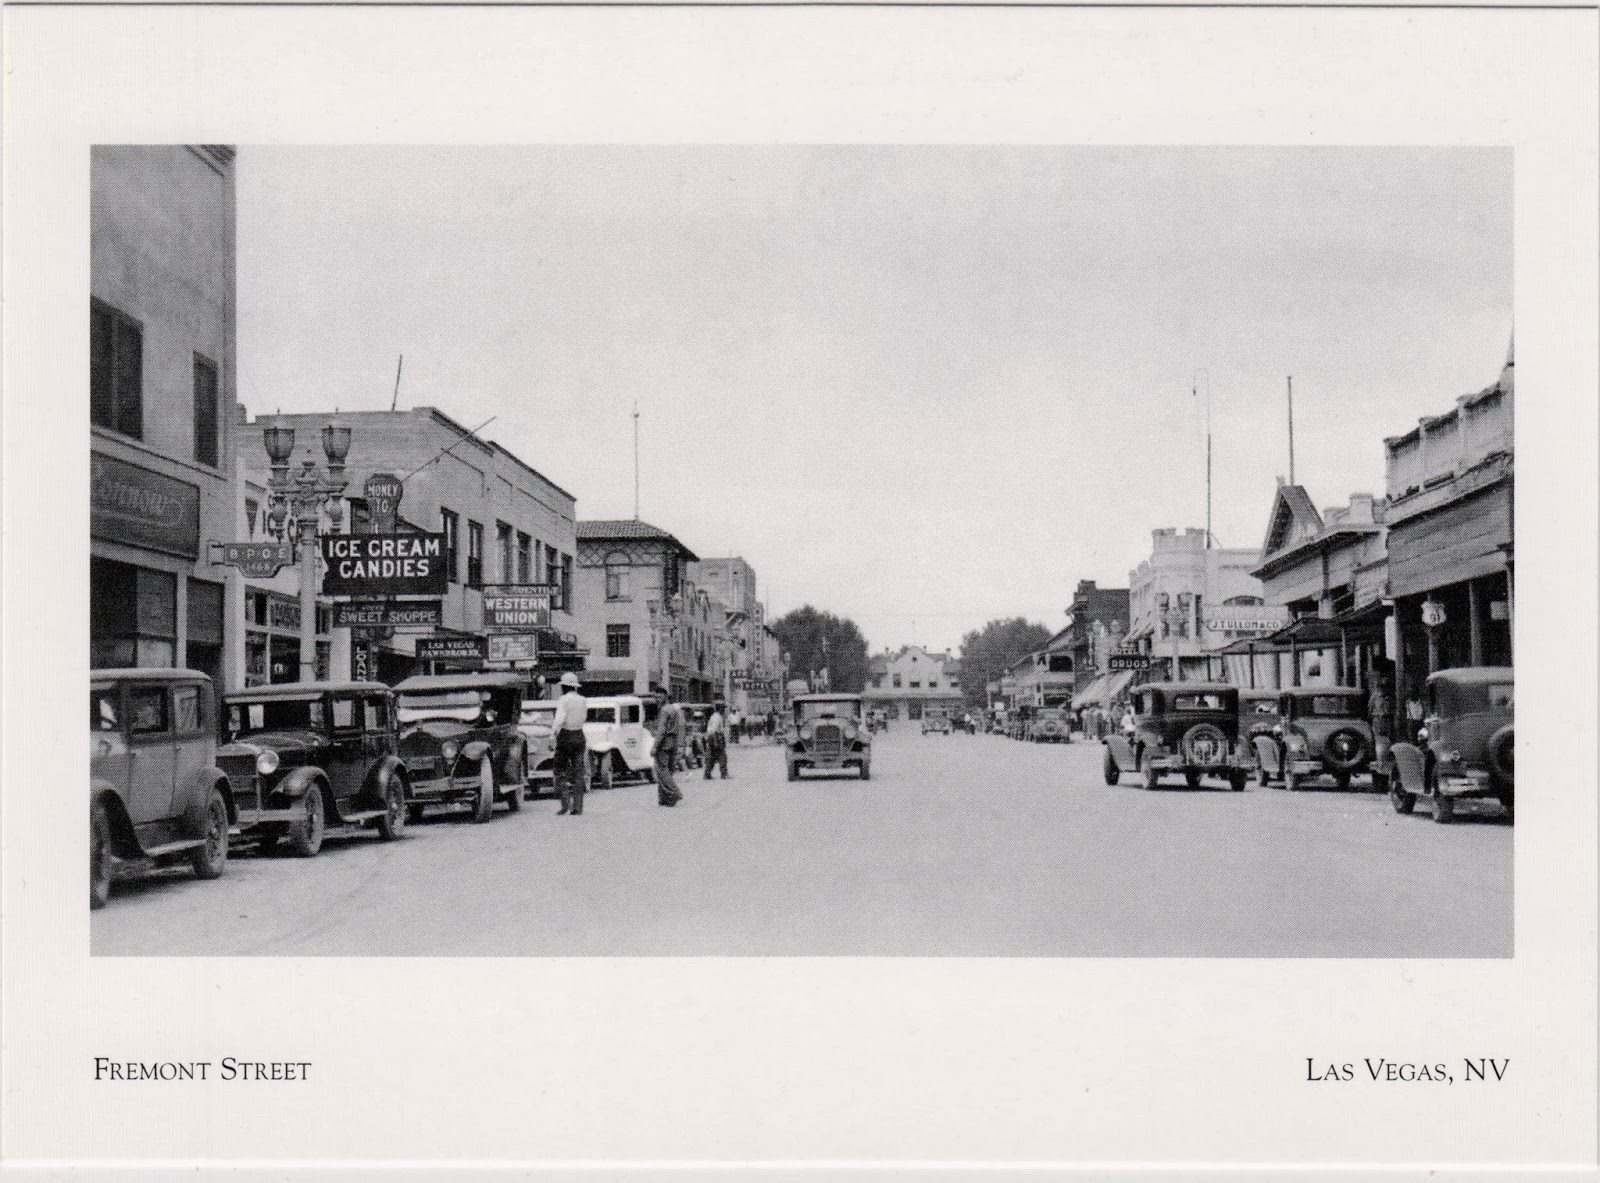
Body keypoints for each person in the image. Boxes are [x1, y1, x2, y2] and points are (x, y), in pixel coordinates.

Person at [551, 671, 589, 816]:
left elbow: (559, 719)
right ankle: (578, 807)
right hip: (579, 735)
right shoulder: (583, 700)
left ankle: (565, 804)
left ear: (565, 687)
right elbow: (584, 717)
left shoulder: (563, 700)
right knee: (578, 772)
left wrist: (552, 734)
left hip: (566, 735)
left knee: (560, 770)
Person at [653, 690, 686, 807]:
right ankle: (664, 798)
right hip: (674, 742)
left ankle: (674, 792)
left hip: (664, 743)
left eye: (660, 697)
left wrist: (655, 746)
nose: (657, 699)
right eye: (656, 697)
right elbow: (681, 726)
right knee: (668, 770)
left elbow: (661, 730)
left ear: (666, 697)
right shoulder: (675, 710)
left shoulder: (663, 711)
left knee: (662, 770)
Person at [703, 700, 729, 779]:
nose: (724, 710)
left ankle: (707, 774)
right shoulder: (717, 717)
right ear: (720, 709)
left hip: (712, 737)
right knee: (722, 756)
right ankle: (724, 774)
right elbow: (714, 730)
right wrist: (716, 742)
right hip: (716, 737)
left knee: (711, 757)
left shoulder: (714, 716)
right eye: (723, 708)